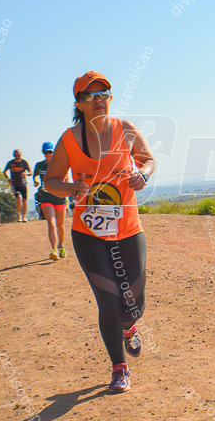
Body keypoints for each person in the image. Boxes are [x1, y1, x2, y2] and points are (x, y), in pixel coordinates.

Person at [42, 71, 155, 394]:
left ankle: (128, 327)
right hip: (89, 234)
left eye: (104, 93)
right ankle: (119, 369)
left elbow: (147, 160)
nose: (98, 100)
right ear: (78, 103)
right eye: (90, 96)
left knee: (134, 304)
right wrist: (70, 187)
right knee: (108, 300)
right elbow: (51, 181)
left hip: (129, 229)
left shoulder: (126, 130)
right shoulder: (69, 139)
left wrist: (142, 175)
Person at [34, 141, 69, 261]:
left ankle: (61, 245)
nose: (48, 154)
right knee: (51, 223)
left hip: (60, 198)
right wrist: (36, 181)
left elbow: (67, 177)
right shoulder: (39, 165)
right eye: (46, 152)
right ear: (43, 153)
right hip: (46, 198)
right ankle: (53, 250)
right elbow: (35, 176)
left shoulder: (59, 164)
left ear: (53, 152)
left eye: (50, 152)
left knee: (60, 225)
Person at [3, 149, 32, 222]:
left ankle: (24, 216)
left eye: (19, 155)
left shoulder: (24, 162)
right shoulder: (10, 163)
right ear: (13, 155)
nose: (17, 157)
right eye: (16, 156)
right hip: (14, 184)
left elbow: (31, 172)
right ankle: (19, 215)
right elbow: (5, 171)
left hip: (23, 183)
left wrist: (26, 174)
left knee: (24, 200)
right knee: (18, 198)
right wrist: (8, 179)